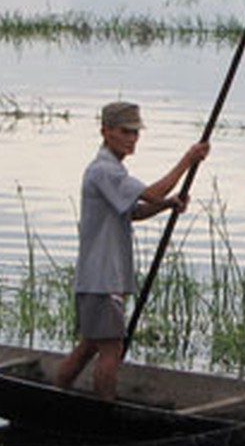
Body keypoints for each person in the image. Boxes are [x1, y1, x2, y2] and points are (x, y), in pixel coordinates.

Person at [56, 101, 210, 400]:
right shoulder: (104, 170)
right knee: (112, 349)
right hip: (103, 277)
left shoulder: (111, 170)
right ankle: (104, 412)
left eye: (136, 133)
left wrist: (167, 206)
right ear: (106, 131)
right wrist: (188, 161)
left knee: (90, 345)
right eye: (126, 132)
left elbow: (134, 212)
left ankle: (55, 396)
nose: (132, 139)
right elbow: (152, 192)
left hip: (98, 277)